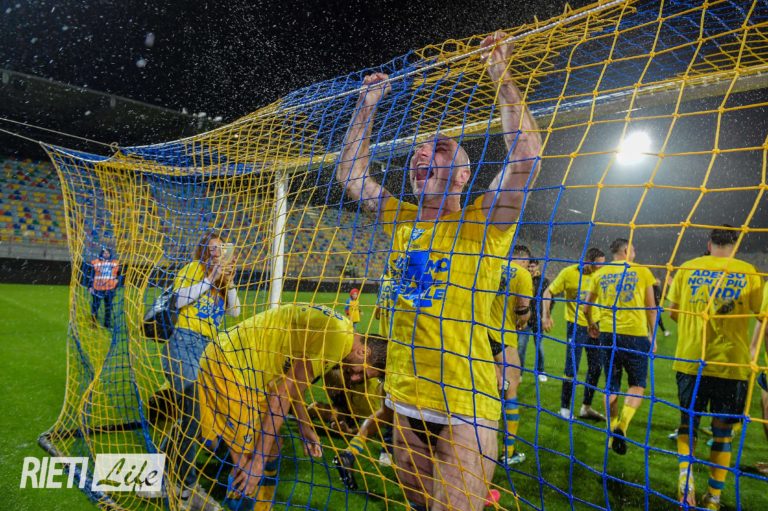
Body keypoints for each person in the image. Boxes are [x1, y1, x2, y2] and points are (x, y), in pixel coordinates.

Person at [335, 31, 541, 511]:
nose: (422, 154)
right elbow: (350, 174)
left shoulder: (485, 222)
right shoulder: (400, 217)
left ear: (465, 176)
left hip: (464, 404)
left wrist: (500, 72)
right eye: (418, 152)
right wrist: (367, 105)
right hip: (403, 398)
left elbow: (527, 156)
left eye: (441, 149)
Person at [197, 303, 387, 506]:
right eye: (361, 373)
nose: (355, 378)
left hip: (253, 372)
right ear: (363, 352)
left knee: (272, 447)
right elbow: (281, 395)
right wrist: (258, 462)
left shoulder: (340, 332)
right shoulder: (338, 340)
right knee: (248, 462)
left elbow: (294, 381)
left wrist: (304, 425)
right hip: (231, 365)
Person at [667, 227, 763, 509]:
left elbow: (674, 312)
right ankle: (713, 498)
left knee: (688, 424)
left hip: (691, 361)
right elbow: (762, 316)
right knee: (722, 433)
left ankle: (686, 479)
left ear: (709, 244)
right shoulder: (748, 271)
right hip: (730, 364)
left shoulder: (688, 267)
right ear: (736, 244)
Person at [152, 231, 241, 510]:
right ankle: (186, 487)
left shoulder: (222, 281)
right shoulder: (193, 269)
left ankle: (156, 473)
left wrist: (228, 282)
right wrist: (210, 279)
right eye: (212, 248)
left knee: (194, 417)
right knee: (193, 412)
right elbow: (178, 300)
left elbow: (235, 312)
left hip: (208, 350)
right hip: (184, 343)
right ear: (203, 251)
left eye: (221, 248)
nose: (217, 252)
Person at [583, 238, 657, 456]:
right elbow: (651, 307)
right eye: (633, 249)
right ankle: (622, 426)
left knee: (611, 386)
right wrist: (653, 336)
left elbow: (586, 307)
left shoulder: (600, 273)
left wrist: (591, 324)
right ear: (626, 250)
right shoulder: (642, 271)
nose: (634, 253)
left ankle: (611, 431)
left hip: (608, 335)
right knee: (637, 385)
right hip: (635, 335)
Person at [542, 247, 607, 421]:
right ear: (588, 262)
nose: (601, 267)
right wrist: (546, 315)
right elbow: (548, 292)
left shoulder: (601, 275)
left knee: (596, 367)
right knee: (571, 368)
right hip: (576, 326)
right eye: (598, 264)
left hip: (596, 325)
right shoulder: (568, 273)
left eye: (603, 264)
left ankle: (586, 407)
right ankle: (564, 409)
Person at [489, 258, 533, 466]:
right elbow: (522, 311)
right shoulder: (522, 274)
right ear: (524, 260)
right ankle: (508, 452)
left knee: (482, 393)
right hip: (502, 339)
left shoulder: (489, 264)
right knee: (510, 392)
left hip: (476, 338)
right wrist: (522, 322)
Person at [516, 247, 551, 382]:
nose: (531, 268)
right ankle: (519, 372)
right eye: (529, 266)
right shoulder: (523, 278)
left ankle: (541, 370)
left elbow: (549, 299)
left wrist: (546, 316)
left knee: (539, 347)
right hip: (525, 319)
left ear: (538, 266)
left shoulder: (544, 281)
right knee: (521, 347)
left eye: (533, 266)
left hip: (538, 319)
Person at [89, 247, 119, 328]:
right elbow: (91, 275)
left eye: (107, 253)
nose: (106, 254)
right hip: (97, 288)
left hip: (109, 289)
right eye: (104, 253)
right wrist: (90, 286)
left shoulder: (114, 263)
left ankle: (107, 324)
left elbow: (117, 276)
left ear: (110, 254)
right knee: (95, 306)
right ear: (101, 254)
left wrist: (115, 286)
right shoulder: (96, 262)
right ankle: (93, 323)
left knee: (108, 307)